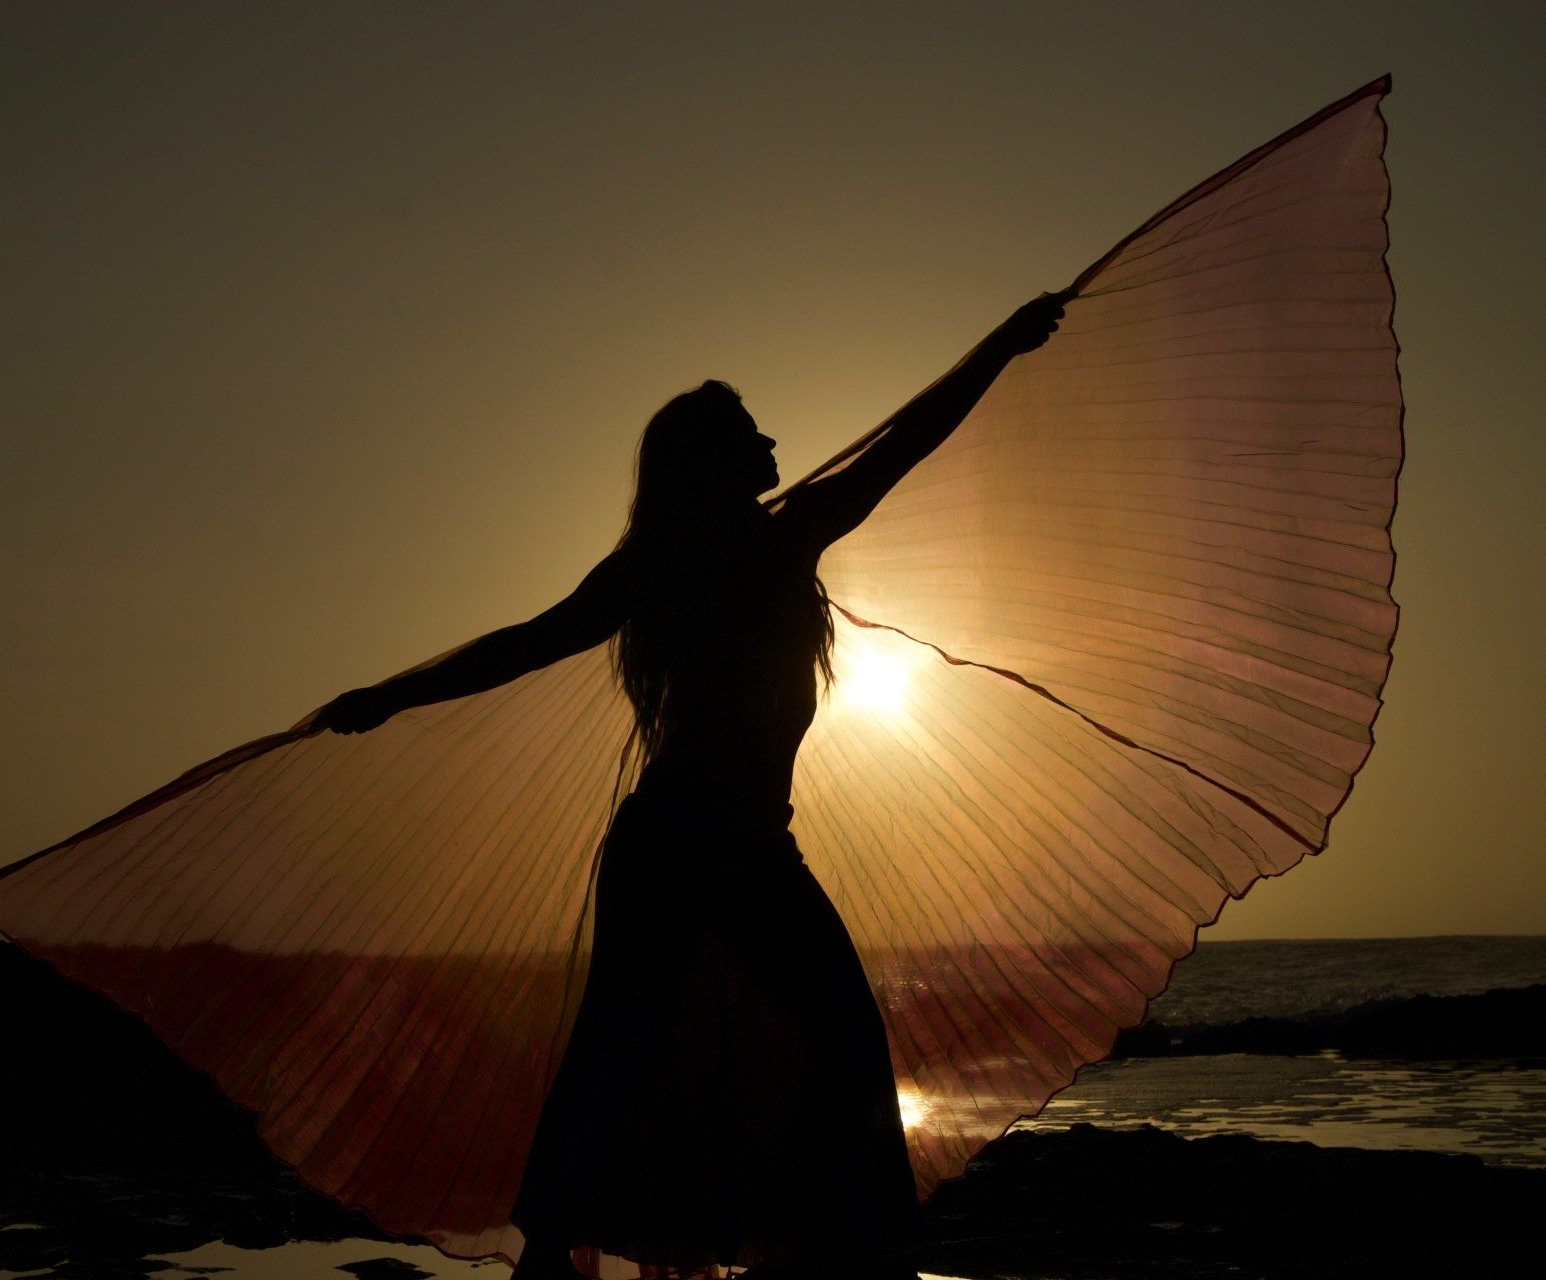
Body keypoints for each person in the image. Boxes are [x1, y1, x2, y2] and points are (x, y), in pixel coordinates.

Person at [308, 293, 1066, 1278]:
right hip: (678, 837)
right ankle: (568, 1250)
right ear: (711, 458)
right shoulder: (684, 561)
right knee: (644, 1042)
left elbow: (904, 440)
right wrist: (394, 693)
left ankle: (836, 1236)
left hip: (744, 839)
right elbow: (525, 644)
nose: (771, 438)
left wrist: (1001, 346)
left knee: (787, 1031)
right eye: (750, 430)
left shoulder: (777, 534)